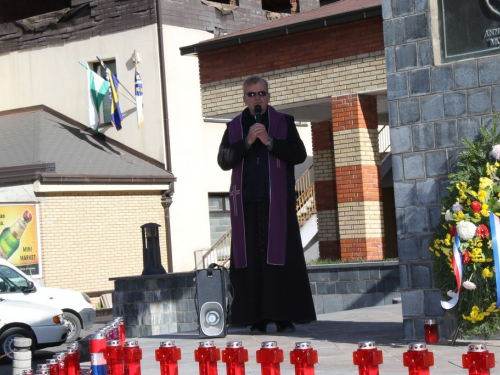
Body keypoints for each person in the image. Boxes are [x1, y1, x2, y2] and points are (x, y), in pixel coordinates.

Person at [217, 75, 317, 334]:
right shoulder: (234, 127)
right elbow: (224, 160)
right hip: (247, 205)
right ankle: (256, 318)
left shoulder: (284, 122)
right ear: (244, 99)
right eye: (251, 94)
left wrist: (270, 142)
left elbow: (298, 154)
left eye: (261, 93)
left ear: (268, 96)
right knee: (251, 263)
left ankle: (285, 316)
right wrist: (247, 142)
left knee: (282, 260)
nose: (257, 99)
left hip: (278, 205)